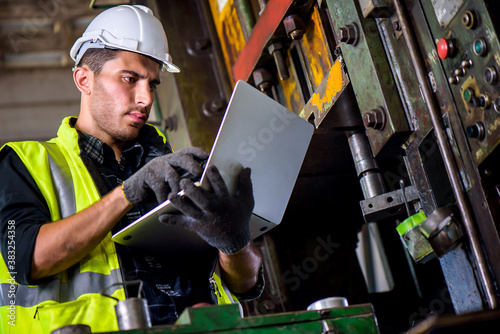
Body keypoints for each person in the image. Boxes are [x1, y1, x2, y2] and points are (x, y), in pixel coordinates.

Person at [0, 5, 263, 334]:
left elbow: (246, 284)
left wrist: (234, 242)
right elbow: (24, 258)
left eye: (152, 84)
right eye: (130, 79)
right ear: (84, 79)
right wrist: (128, 192)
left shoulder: (181, 168)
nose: (144, 98)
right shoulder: (25, 162)